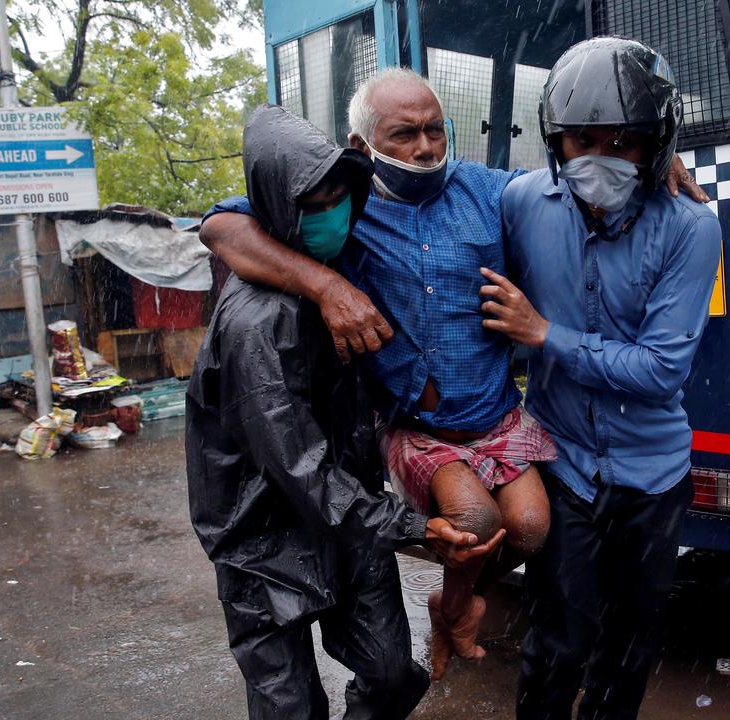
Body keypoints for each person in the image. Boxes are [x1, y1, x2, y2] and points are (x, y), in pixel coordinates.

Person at [185, 105, 500, 720]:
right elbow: (297, 467)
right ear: (277, 208)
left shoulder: (342, 265)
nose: (332, 212)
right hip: (262, 535)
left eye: (339, 195)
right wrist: (414, 527)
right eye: (314, 201)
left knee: (391, 676)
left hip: (348, 519)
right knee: (289, 706)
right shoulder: (258, 322)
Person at [478, 38, 723, 719]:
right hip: (564, 463)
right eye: (582, 140)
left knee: (631, 646)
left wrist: (544, 333)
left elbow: (660, 370)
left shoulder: (691, 229)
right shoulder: (523, 200)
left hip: (654, 474)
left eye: (625, 142)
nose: (601, 159)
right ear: (555, 141)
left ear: (658, 143)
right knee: (557, 642)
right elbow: (429, 208)